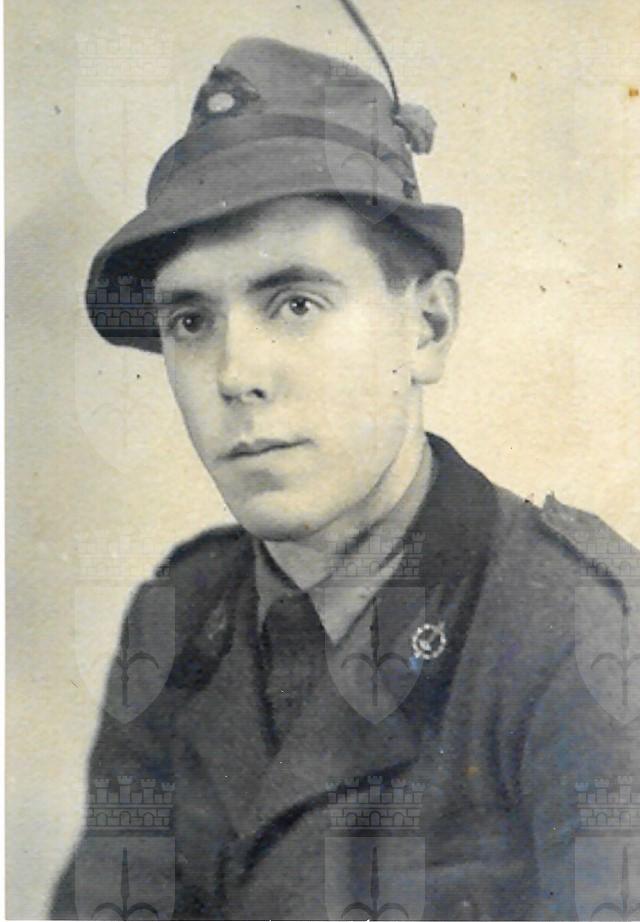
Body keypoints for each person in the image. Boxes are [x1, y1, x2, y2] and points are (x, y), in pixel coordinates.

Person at [51, 17, 639, 922]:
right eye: (191, 322)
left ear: (426, 328)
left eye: (295, 302)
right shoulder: (176, 620)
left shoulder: (577, 635)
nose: (236, 374)